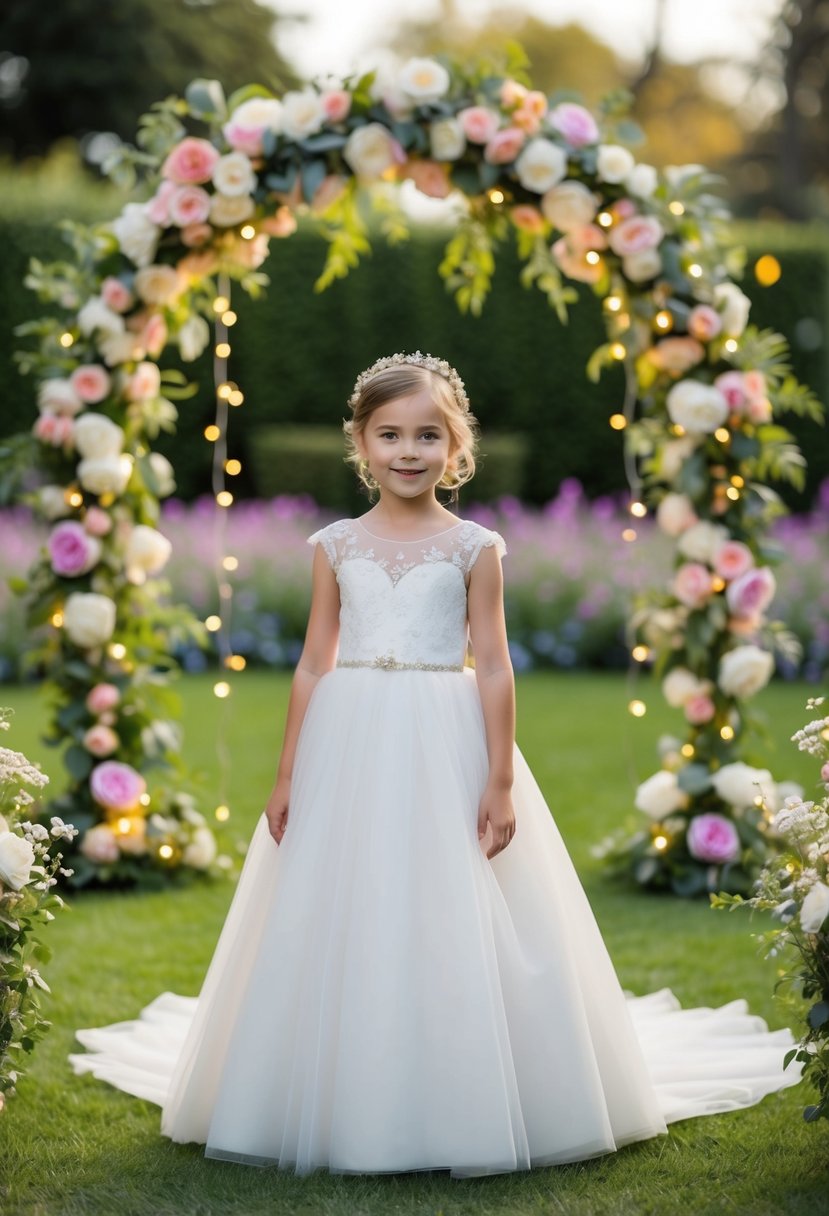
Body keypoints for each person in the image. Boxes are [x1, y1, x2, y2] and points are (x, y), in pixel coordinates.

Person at [70, 351, 803, 1178]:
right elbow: (313, 661)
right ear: (361, 443)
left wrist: (496, 777)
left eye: (427, 435)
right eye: (390, 435)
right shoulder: (333, 545)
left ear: (455, 447)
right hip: (346, 738)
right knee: (343, 901)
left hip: (441, 735)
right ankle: (345, 1080)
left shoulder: (473, 548)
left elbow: (491, 661)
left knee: (446, 898)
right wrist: (285, 773)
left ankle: (459, 1076)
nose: (408, 451)